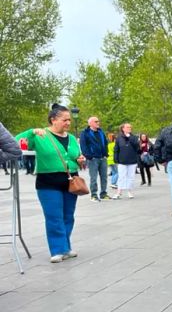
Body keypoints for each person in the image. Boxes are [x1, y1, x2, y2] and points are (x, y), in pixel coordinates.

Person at [14, 104, 86, 263]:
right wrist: (31, 131)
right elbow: (15, 142)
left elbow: (76, 156)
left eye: (69, 120)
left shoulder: (72, 138)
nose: (68, 123)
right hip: (48, 183)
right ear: (53, 120)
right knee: (54, 217)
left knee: (68, 216)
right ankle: (57, 250)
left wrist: (80, 159)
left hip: (71, 181)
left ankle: (65, 247)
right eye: (64, 120)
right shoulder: (41, 135)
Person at [79, 116, 110, 202]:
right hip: (93, 159)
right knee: (93, 178)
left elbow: (105, 143)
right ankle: (94, 195)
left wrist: (105, 154)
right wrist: (89, 156)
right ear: (90, 123)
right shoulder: (85, 133)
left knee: (104, 177)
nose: (98, 123)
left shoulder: (101, 132)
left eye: (98, 121)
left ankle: (103, 193)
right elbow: (83, 146)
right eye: (96, 121)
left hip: (102, 158)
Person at [112, 123, 140, 199]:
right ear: (123, 128)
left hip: (132, 160)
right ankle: (119, 192)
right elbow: (116, 149)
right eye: (127, 127)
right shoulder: (119, 138)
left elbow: (137, 148)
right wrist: (115, 158)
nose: (129, 128)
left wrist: (130, 138)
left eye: (130, 127)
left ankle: (130, 191)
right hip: (122, 161)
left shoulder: (134, 137)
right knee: (121, 177)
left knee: (131, 177)